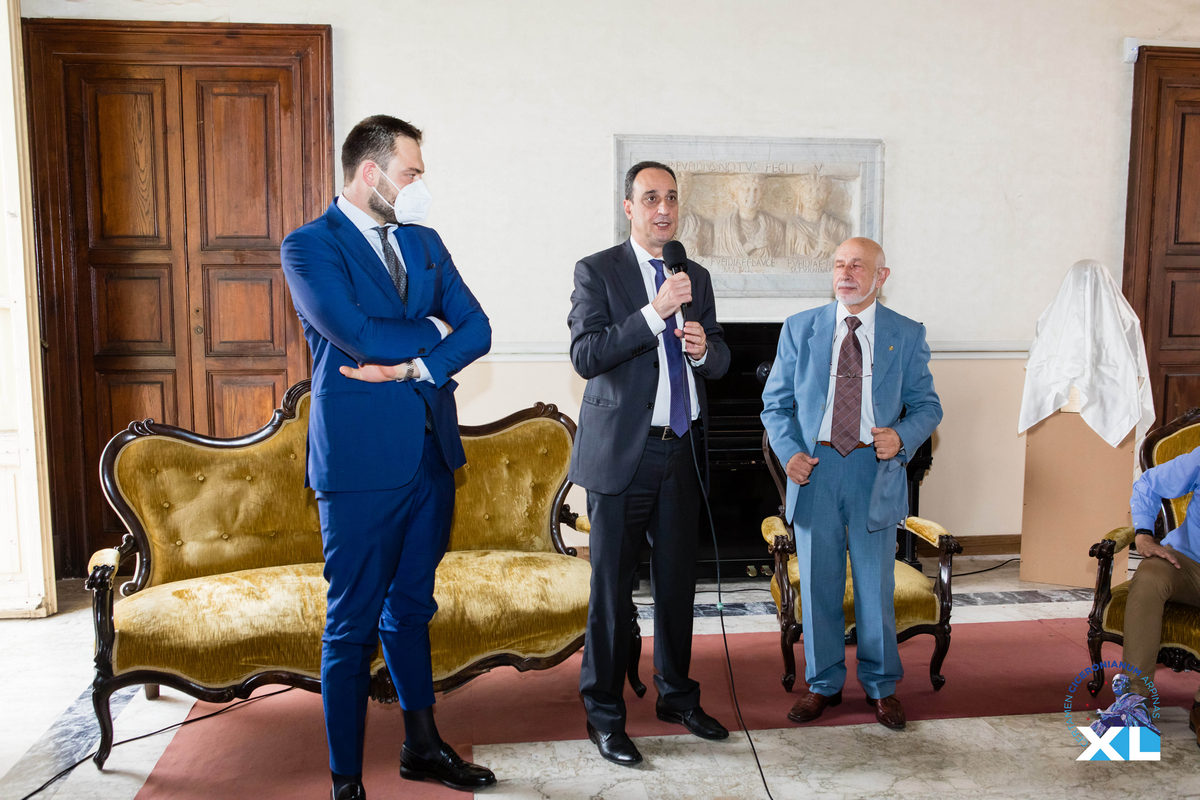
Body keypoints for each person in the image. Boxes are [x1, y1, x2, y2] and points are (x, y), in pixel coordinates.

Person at [281, 115, 495, 800]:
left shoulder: (424, 241)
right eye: (411, 173)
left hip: (431, 455)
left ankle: (421, 746)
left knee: (411, 608)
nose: (419, 184)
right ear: (370, 173)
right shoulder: (309, 246)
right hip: (360, 464)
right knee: (350, 625)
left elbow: (480, 329)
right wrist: (432, 329)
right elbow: (358, 333)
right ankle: (346, 781)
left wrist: (414, 366)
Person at [568, 160, 732, 765]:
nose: (664, 209)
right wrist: (652, 313)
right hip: (623, 455)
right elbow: (586, 355)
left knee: (678, 585)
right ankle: (604, 716)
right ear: (629, 207)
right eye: (651, 198)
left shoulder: (696, 275)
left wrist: (704, 350)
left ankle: (677, 696)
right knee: (611, 592)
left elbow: (720, 359)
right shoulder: (598, 271)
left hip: (681, 449)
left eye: (672, 199)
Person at [760, 237, 941, 731]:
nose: (846, 273)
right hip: (816, 470)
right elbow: (775, 405)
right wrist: (790, 454)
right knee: (819, 583)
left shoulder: (905, 334)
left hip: (872, 471)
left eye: (858, 266)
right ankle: (823, 684)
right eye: (839, 264)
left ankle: (881, 686)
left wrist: (901, 437)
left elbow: (928, 406)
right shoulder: (801, 328)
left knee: (874, 585)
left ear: (881, 276)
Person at [1113, 444, 1200, 748]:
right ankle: (1134, 704)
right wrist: (1144, 534)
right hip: (1189, 564)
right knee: (1150, 576)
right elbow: (1149, 483)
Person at [713, 173, 786, 259]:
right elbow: (722, 260)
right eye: (746, 189)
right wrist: (751, 245)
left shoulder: (774, 227)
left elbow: (780, 259)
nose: (752, 195)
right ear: (735, 194)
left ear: (762, 194)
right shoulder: (723, 228)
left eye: (756, 190)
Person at [786, 174, 850, 259]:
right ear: (800, 194)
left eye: (820, 190)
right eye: (809, 190)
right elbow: (787, 260)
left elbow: (849, 258)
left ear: (828, 195)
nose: (815, 196)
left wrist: (835, 249)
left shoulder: (839, 227)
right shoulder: (793, 226)